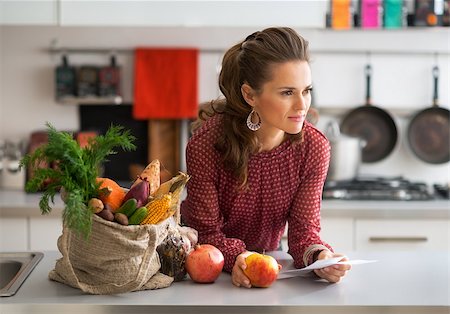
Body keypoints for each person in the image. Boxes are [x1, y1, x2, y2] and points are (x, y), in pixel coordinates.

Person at [180, 27, 351, 288]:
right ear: (250, 95)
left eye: (306, 90)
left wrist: (321, 257)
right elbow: (206, 232)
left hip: (265, 270)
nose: (302, 104)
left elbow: (304, 232)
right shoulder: (206, 145)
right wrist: (239, 257)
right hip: (202, 272)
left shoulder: (314, 147)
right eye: (287, 92)